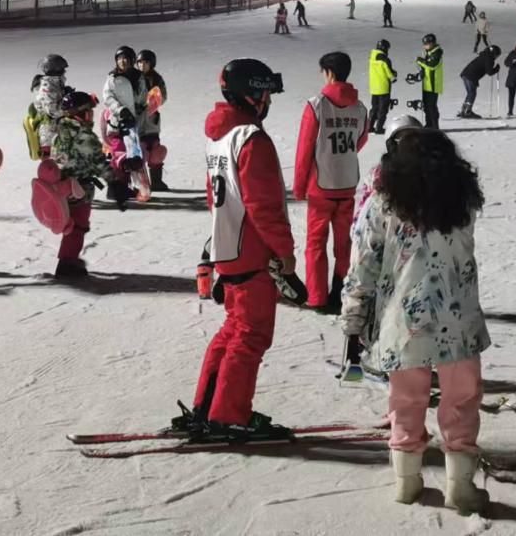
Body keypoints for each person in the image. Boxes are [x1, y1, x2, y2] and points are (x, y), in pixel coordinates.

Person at [341, 128, 490, 512]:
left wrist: (353, 312)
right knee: (461, 400)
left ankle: (406, 482)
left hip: (402, 318)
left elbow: (364, 263)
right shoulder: (463, 202)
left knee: (405, 400)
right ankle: (461, 486)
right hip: (458, 319)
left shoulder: (382, 203)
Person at [184, 59, 297, 442]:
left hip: (227, 246)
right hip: (251, 250)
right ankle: (229, 414)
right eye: (265, 93)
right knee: (251, 335)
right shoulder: (251, 139)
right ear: (252, 94)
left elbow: (213, 198)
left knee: (233, 330)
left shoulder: (219, 137)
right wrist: (285, 253)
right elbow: (263, 205)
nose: (269, 101)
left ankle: (209, 406)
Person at [293, 52, 369, 312]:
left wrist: (300, 186)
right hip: (347, 183)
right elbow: (361, 139)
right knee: (344, 243)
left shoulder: (316, 105)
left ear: (329, 73)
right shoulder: (359, 108)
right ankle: (340, 291)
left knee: (315, 243)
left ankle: (317, 297)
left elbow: (305, 149)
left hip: (320, 186)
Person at [43, 89, 112, 278]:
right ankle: (67, 263)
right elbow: (98, 162)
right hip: (79, 188)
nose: (91, 116)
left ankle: (68, 258)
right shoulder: (83, 135)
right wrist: (116, 181)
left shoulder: (60, 131)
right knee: (78, 225)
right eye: (89, 112)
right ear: (80, 114)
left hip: (63, 186)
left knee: (72, 224)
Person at [101, 46, 145, 210]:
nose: (123, 61)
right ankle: (114, 189)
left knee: (133, 157)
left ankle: (126, 187)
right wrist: (121, 110)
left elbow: (142, 95)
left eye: (126, 58)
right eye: (120, 58)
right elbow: (108, 97)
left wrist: (141, 106)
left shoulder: (138, 77)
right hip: (117, 123)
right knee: (120, 155)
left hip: (133, 123)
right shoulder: (113, 78)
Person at [135, 50, 170, 191]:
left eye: (146, 62)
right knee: (139, 151)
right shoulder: (134, 77)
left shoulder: (156, 79)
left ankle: (156, 181)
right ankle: (140, 183)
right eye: (140, 62)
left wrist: (153, 101)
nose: (142, 65)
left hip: (151, 120)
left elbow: (163, 96)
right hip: (136, 119)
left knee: (155, 150)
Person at [28, 54, 68, 159]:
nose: (64, 71)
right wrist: (68, 110)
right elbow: (52, 110)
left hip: (58, 127)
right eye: (62, 69)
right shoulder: (47, 87)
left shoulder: (55, 83)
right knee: (54, 163)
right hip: (50, 131)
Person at [457, 45, 501, 119]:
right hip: (471, 76)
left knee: (470, 93)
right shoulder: (489, 59)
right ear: (494, 53)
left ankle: (464, 110)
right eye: (497, 55)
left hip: (466, 74)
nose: (496, 57)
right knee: (472, 93)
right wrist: (496, 69)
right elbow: (489, 72)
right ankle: (467, 111)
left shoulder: (484, 55)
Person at [415, 34, 445, 130]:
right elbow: (426, 65)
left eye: (426, 44)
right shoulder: (429, 52)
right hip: (427, 84)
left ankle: (434, 126)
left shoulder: (437, 53)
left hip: (433, 84)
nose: (424, 46)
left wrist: (420, 61)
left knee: (431, 107)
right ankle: (429, 124)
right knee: (426, 106)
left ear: (432, 43)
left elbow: (432, 65)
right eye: (424, 44)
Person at [368, 39, 396, 134]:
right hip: (383, 88)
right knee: (382, 109)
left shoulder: (372, 57)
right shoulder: (385, 60)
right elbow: (390, 74)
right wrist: (394, 76)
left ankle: (369, 126)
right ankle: (379, 128)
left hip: (374, 87)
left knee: (374, 108)